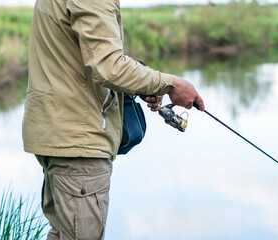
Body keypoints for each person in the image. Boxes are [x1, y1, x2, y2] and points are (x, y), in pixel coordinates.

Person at [22, 0, 205, 239]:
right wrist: (170, 84)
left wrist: (140, 83)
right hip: (80, 143)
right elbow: (109, 66)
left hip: (60, 135)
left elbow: (85, 56)